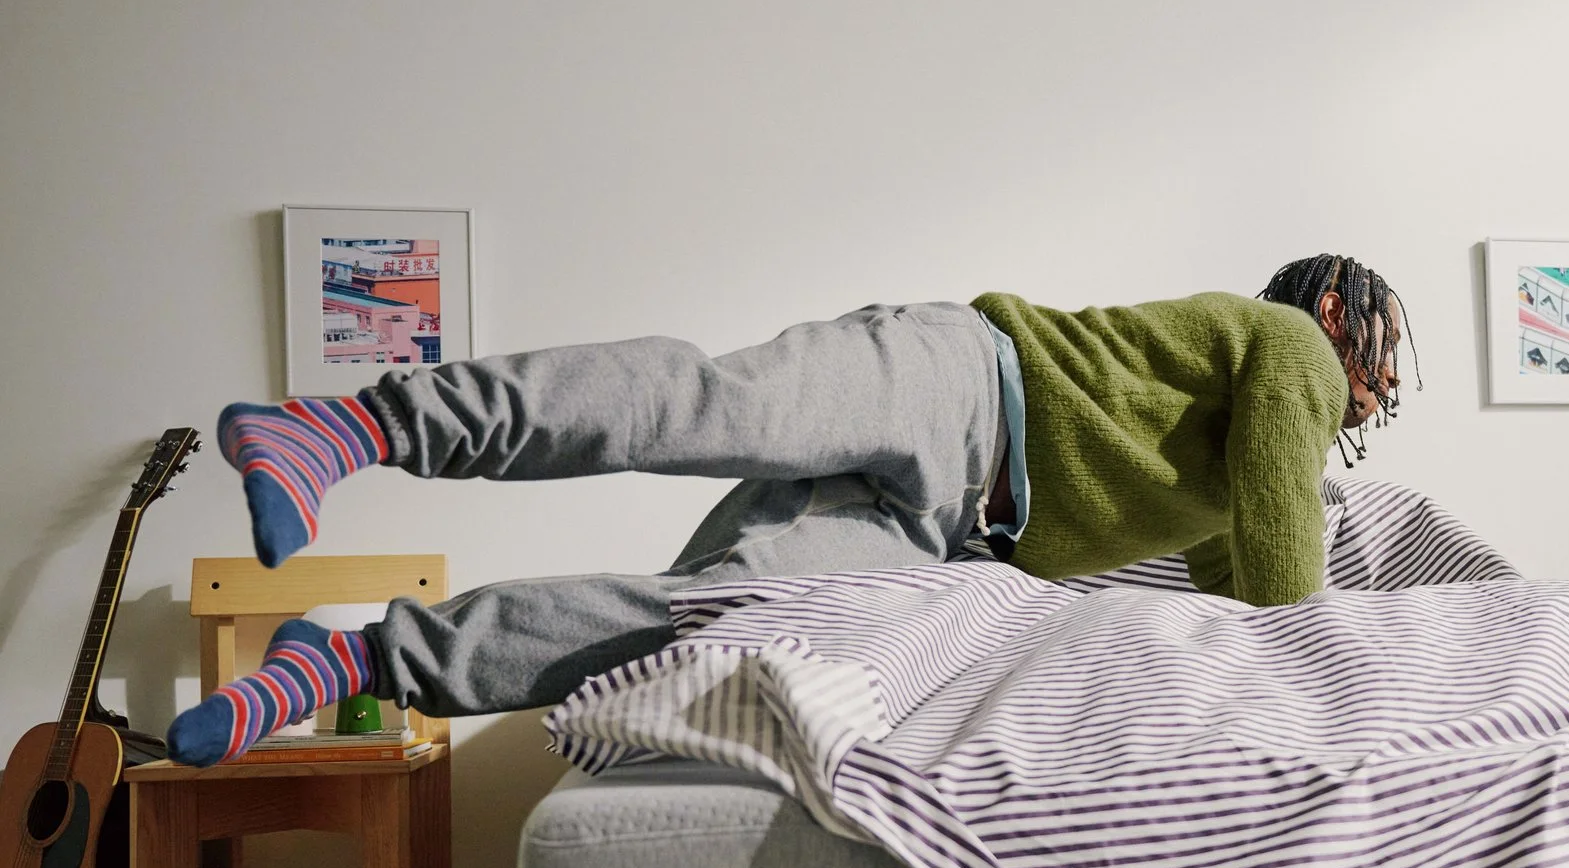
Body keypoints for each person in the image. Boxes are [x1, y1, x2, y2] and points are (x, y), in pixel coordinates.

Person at [166, 258, 1408, 767]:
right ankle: (349, 427)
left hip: (944, 533)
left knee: (713, 624)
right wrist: (1351, 689)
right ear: (1341, 314)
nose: (1383, 388)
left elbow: (1248, 606)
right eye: (1386, 355)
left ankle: (353, 659)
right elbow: (1295, 602)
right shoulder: (1293, 347)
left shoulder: (1239, 475)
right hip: (964, 385)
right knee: (702, 406)